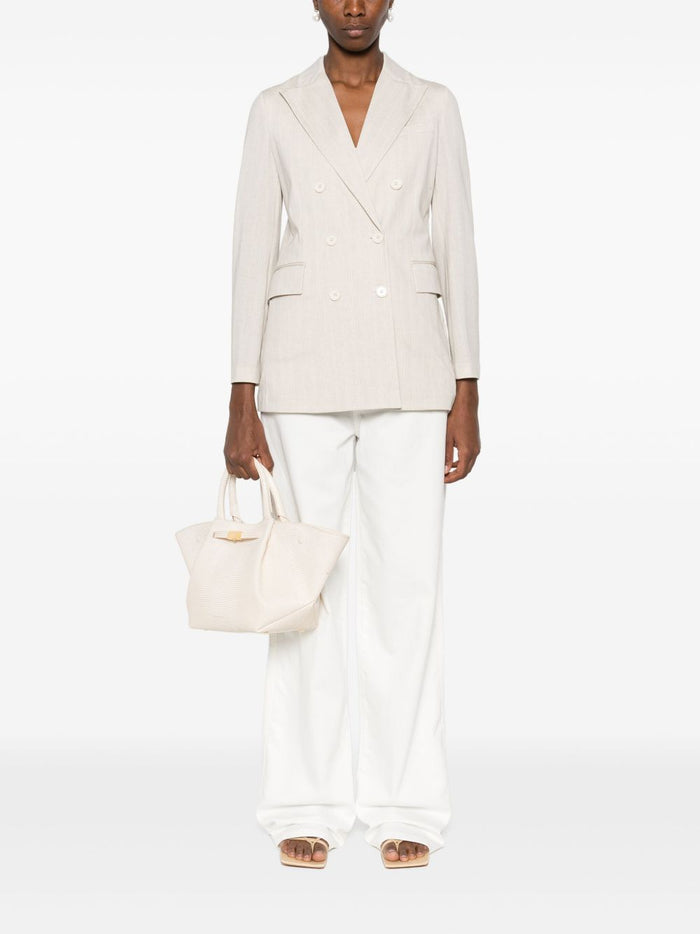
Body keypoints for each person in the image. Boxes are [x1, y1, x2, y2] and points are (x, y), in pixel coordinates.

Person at [224, 0, 480, 869]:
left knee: (409, 593)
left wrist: (468, 385)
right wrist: (241, 392)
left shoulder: (433, 105)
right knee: (304, 596)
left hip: (412, 364)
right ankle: (305, 802)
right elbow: (252, 251)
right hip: (302, 367)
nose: (356, 6)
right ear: (315, 1)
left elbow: (457, 246)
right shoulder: (276, 109)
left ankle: (409, 805)